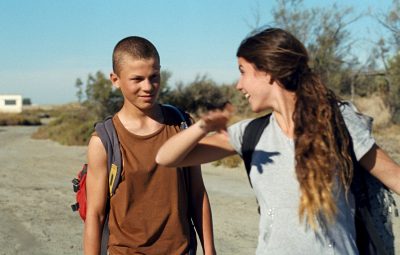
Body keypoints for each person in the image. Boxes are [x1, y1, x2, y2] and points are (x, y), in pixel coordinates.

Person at [156, 27, 400, 255]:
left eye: (242, 71)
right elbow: (167, 157)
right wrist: (203, 126)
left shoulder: (339, 122)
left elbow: (394, 177)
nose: (238, 85)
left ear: (267, 72)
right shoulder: (250, 134)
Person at [84, 36, 216, 255]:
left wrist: (210, 251)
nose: (148, 87)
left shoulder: (182, 126)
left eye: (154, 77)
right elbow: (95, 215)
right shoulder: (103, 142)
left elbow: (197, 194)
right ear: (115, 79)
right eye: (137, 79)